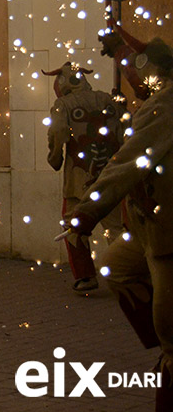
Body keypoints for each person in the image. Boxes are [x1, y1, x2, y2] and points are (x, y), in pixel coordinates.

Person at [60, 24, 173, 409]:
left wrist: (88, 211)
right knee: (114, 265)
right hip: (148, 227)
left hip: (167, 233)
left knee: (170, 330)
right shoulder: (151, 103)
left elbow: (127, 163)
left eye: (133, 71)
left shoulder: (164, 105)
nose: (131, 80)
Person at [43, 62, 125, 292]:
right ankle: (129, 273)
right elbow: (122, 132)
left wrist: (55, 157)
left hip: (79, 180)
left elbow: (57, 131)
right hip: (110, 176)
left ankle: (85, 276)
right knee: (116, 228)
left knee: (73, 225)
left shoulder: (63, 105)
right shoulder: (108, 100)